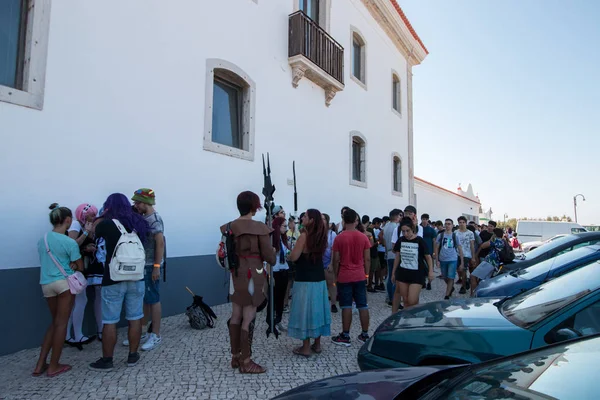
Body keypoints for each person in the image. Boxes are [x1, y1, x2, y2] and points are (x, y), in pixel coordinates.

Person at [89, 193, 150, 371]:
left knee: (110, 321)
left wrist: (101, 215)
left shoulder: (107, 224)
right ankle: (133, 355)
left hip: (113, 277)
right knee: (135, 317)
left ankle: (107, 360)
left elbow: (93, 232)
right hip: (136, 277)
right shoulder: (139, 223)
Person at [222, 191, 276, 374]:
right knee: (249, 317)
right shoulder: (259, 228)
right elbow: (270, 257)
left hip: (235, 274)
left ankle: (235, 356)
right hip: (254, 275)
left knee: (236, 315)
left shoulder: (229, 226)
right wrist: (273, 252)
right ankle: (246, 360)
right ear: (254, 206)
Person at [33, 204, 83, 378]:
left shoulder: (43, 240)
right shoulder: (69, 242)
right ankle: (54, 365)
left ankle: (40, 364)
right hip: (63, 285)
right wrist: (75, 264)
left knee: (54, 323)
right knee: (62, 324)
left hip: (46, 284)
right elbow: (80, 266)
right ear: (68, 220)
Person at [287, 209, 331, 357]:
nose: (302, 218)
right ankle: (317, 344)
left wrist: (289, 253)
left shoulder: (304, 237)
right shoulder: (321, 236)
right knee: (317, 310)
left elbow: (294, 257)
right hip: (319, 279)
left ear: (311, 220)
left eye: (305, 216)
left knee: (305, 311)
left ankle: (305, 347)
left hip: (304, 279)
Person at [129, 188, 165, 351]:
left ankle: (155, 334)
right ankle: (143, 331)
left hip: (151, 265)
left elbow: (160, 243)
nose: (135, 205)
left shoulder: (154, 220)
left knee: (153, 299)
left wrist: (156, 266)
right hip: (144, 264)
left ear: (146, 203)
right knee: (145, 298)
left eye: (137, 202)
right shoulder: (145, 218)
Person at [331, 209, 371, 347]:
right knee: (363, 305)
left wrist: (336, 275)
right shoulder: (363, 237)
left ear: (343, 220)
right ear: (356, 220)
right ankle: (365, 334)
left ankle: (345, 335)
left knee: (346, 305)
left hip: (345, 275)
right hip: (359, 274)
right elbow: (367, 258)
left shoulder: (339, 237)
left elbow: (335, 260)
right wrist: (367, 274)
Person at [66, 203, 101, 347]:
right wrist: (86, 233)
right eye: (91, 214)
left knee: (74, 302)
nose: (93, 216)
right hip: (74, 269)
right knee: (80, 300)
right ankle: (77, 335)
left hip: (83, 268)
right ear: (83, 213)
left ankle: (68, 335)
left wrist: (89, 247)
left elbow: (81, 246)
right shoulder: (76, 225)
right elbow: (71, 245)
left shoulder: (87, 225)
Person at [391, 217, 434, 312]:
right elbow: (397, 257)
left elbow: (428, 257)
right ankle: (409, 320)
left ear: (413, 229)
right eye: (403, 231)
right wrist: (393, 272)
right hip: (403, 273)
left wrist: (431, 271)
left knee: (412, 300)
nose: (405, 234)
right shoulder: (401, 240)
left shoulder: (420, 241)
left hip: (417, 274)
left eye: (408, 231)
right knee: (406, 300)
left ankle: (414, 315)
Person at [470, 228, 506, 295]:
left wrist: (491, 238)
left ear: (494, 234)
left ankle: (473, 294)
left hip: (489, 261)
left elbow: (483, 246)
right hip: (495, 263)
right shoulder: (502, 241)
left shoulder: (495, 240)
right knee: (486, 281)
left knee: (473, 276)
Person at [435, 219, 463, 300]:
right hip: (442, 258)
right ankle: (451, 287)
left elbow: (459, 248)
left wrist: (462, 262)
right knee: (444, 276)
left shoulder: (455, 236)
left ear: (452, 225)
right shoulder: (440, 235)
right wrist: (436, 260)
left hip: (452, 259)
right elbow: (436, 248)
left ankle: (447, 295)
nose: (447, 225)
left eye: (449, 224)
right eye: (446, 224)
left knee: (451, 277)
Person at [271, 216, 290, 331]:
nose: (286, 228)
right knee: (274, 297)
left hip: (284, 269)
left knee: (281, 297)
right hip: (275, 271)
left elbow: (287, 253)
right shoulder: (271, 239)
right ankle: (272, 321)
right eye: (284, 226)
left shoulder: (283, 239)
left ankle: (278, 320)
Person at [383, 209, 402, 306]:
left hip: (388, 252)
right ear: (398, 216)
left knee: (390, 276)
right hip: (395, 253)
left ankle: (389, 297)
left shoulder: (386, 226)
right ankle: (395, 299)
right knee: (395, 276)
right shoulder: (397, 228)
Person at [322, 213, 338, 313]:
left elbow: (334, 250)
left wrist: (332, 263)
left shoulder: (332, 234)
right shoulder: (316, 233)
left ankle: (333, 303)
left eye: (323, 219)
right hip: (318, 263)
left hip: (328, 262)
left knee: (331, 283)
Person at [455, 216, 475, 294]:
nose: (462, 224)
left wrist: (473, 257)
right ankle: (465, 280)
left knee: (463, 270)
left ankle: (463, 287)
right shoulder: (456, 232)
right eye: (460, 222)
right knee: (458, 270)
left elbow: (472, 245)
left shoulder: (470, 233)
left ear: (466, 223)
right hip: (457, 253)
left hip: (466, 254)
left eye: (463, 222)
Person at [420, 213, 437, 290]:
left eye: (426, 219)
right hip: (420, 250)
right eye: (423, 219)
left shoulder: (431, 230)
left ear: (428, 220)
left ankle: (429, 283)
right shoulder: (418, 228)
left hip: (429, 250)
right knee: (421, 267)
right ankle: (422, 281)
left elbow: (434, 241)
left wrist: (434, 252)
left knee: (430, 267)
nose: (424, 221)